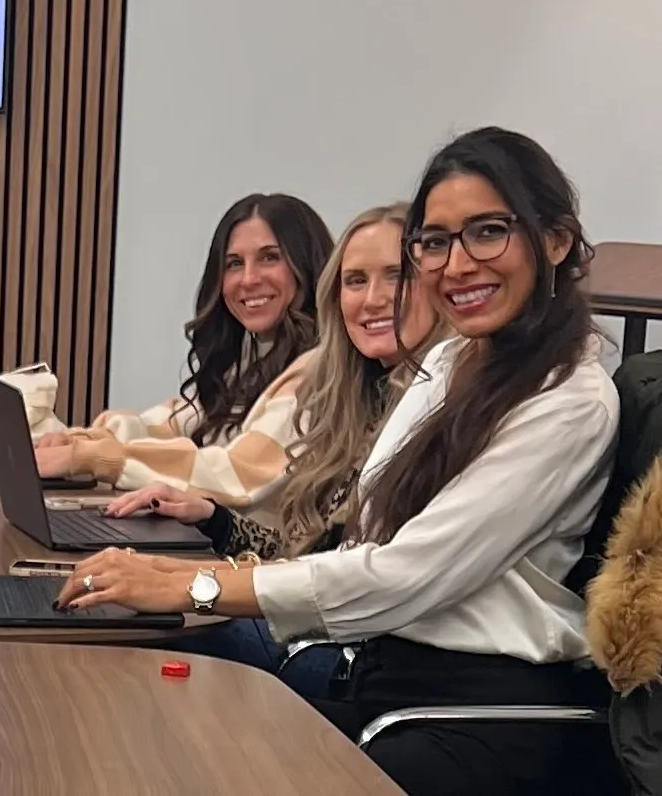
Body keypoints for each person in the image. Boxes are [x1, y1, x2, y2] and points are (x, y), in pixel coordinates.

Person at [58, 127, 617, 796]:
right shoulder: (449, 361)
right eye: (435, 241)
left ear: (555, 240)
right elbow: (364, 535)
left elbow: (405, 574)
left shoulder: (570, 402)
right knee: (137, 725)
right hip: (385, 681)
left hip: (472, 716)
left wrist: (195, 585)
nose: (456, 264)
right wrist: (200, 551)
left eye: (488, 231)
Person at [99, 203, 448, 688]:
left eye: (395, 277)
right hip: (322, 628)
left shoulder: (441, 406)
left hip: (360, 654)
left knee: (130, 624)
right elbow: (308, 551)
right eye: (355, 281)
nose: (373, 299)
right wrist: (213, 519)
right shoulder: (359, 390)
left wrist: (194, 586)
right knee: (123, 604)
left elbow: (361, 578)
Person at [24, 193, 333, 509]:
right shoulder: (253, 361)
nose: (249, 278)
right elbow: (170, 425)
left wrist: (96, 458)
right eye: (234, 263)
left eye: (269, 257)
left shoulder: (319, 370)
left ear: (307, 267)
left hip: (259, 558)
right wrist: (81, 442)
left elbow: (237, 475)